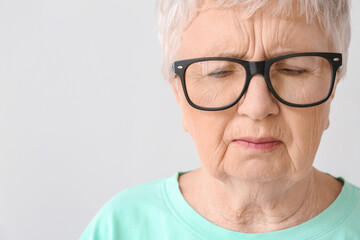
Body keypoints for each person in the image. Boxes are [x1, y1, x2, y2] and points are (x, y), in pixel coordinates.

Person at [80, 0, 360, 239]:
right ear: (178, 91)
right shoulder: (119, 229)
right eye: (219, 72)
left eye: (292, 70)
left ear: (333, 85)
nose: (257, 106)